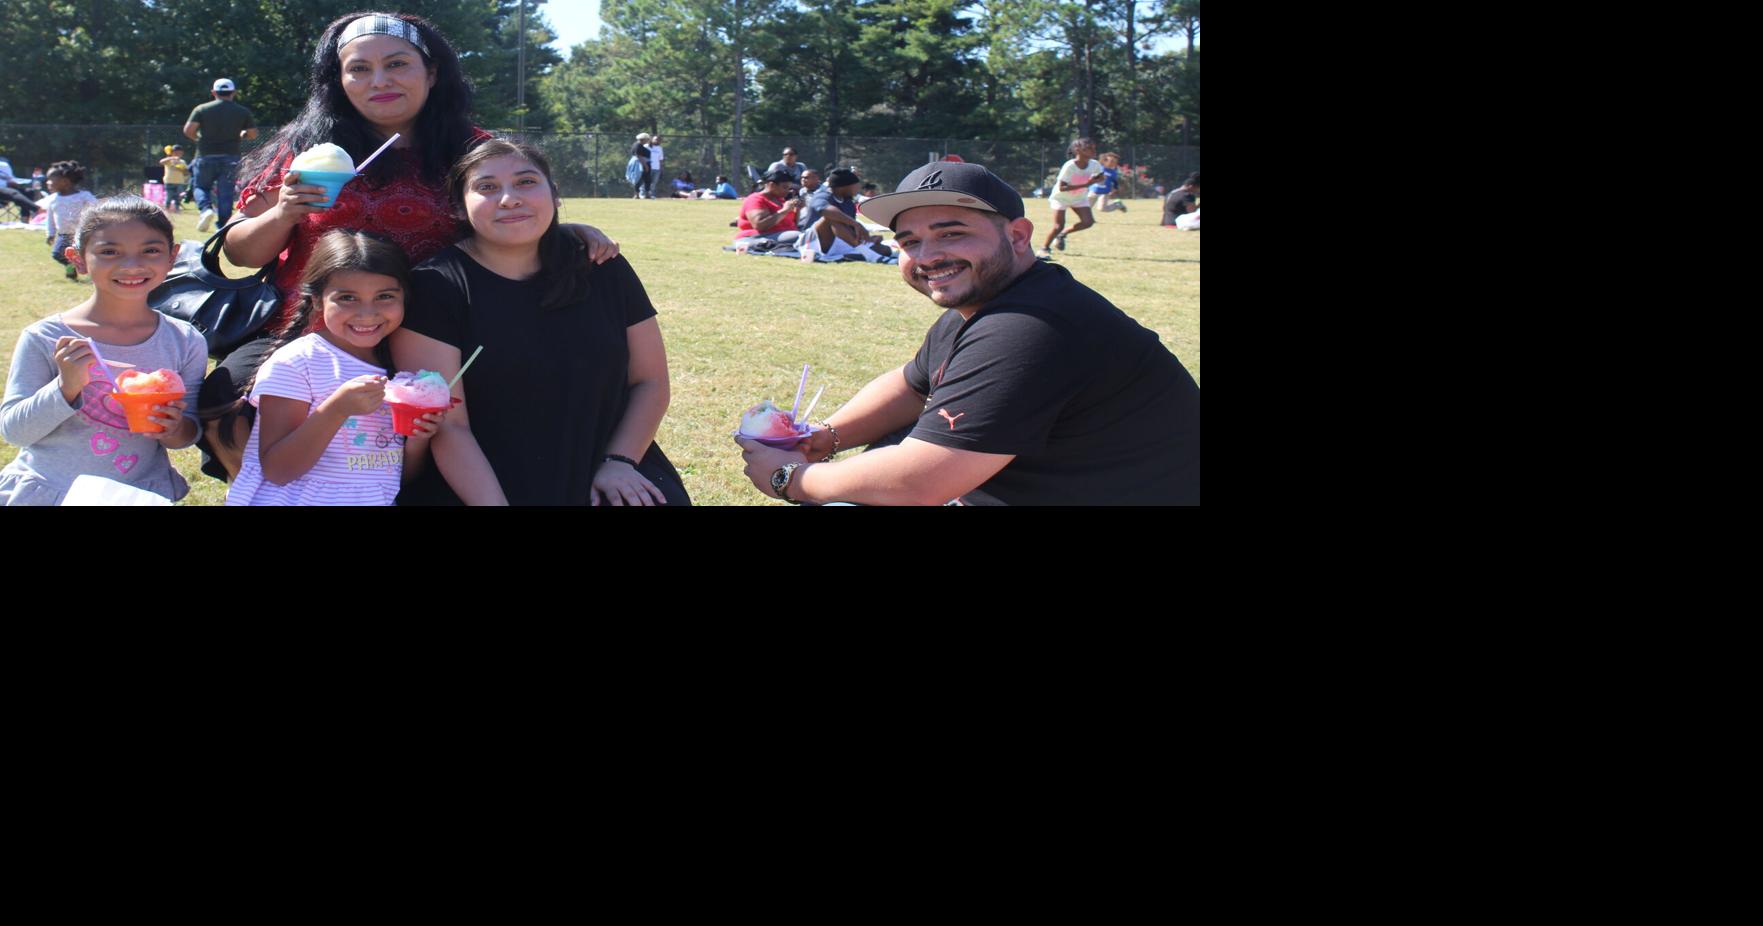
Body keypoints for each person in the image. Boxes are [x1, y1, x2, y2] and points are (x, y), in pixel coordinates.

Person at [202, 10, 619, 485]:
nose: (378, 80)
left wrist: (566, 228)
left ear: (432, 72)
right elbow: (242, 253)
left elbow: (513, 201)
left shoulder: (472, 149)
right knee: (226, 401)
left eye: (397, 64)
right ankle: (268, 491)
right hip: (316, 329)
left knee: (452, 424)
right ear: (338, 80)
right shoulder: (306, 147)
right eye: (358, 68)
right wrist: (284, 213)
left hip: (438, 331)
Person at [734, 162, 1200, 506]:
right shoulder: (991, 304)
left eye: (951, 233)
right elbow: (911, 384)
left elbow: (917, 483)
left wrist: (790, 478)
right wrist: (825, 436)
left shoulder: (1032, 328)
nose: (928, 255)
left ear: (1018, 236)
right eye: (910, 241)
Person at [392, 138, 688, 506]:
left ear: (555, 194)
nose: (509, 198)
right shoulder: (435, 286)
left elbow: (651, 382)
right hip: (483, 481)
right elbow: (451, 427)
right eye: (486, 187)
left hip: (608, 466)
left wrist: (620, 462)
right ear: (457, 207)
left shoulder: (602, 267)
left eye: (526, 182)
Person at [1, 196, 208, 505]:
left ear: (172, 257)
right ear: (78, 259)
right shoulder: (46, 337)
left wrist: (173, 426)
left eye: (150, 250)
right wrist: (65, 387)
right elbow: (15, 431)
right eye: (109, 252)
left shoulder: (185, 341)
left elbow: (187, 434)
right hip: (51, 491)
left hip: (136, 494)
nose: (132, 265)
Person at [226, 229, 446, 505]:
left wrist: (417, 441)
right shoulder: (297, 363)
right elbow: (278, 470)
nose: (368, 313)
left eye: (385, 296)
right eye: (348, 298)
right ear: (317, 300)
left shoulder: (399, 368)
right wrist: (336, 410)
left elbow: (395, 478)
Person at [184, 77, 258, 232]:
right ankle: (223, 226)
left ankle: (206, 209)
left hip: (205, 155)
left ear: (213, 92)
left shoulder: (202, 109)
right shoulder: (242, 112)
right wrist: (241, 134)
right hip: (231, 156)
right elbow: (252, 134)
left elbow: (188, 130)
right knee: (226, 192)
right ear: (234, 93)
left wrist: (199, 140)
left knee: (201, 187)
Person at [800, 168, 891, 263]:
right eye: (856, 185)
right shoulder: (822, 196)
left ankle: (843, 257)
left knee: (884, 250)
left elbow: (849, 229)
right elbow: (826, 210)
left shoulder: (848, 202)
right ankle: (868, 254)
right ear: (844, 187)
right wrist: (856, 224)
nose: (858, 188)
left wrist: (869, 239)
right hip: (813, 241)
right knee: (831, 217)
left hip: (838, 241)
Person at [1040, 137, 1101, 259]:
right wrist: (1086, 184)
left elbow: (1100, 177)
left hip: (1079, 197)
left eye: (1094, 148)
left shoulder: (1094, 164)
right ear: (1078, 150)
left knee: (1088, 222)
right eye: (1089, 148)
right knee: (1058, 226)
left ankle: (1063, 234)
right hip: (1061, 197)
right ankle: (1044, 249)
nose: (1093, 151)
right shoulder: (1070, 166)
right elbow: (1062, 187)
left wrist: (1097, 179)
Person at [42, 161, 96, 281]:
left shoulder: (84, 196)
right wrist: (50, 234)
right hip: (63, 235)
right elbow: (50, 219)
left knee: (85, 254)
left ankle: (84, 270)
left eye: (51, 180)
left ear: (65, 182)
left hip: (82, 233)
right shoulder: (52, 200)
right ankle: (71, 266)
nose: (47, 182)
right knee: (57, 254)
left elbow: (97, 208)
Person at [734, 169, 803, 247]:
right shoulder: (755, 199)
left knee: (810, 233)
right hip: (757, 236)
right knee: (799, 236)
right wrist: (784, 211)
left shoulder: (780, 199)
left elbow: (792, 224)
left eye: (789, 188)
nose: (788, 191)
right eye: (785, 187)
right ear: (772, 185)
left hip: (784, 234)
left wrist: (798, 209)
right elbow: (759, 225)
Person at [0, 154, 38, 222]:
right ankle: (38, 210)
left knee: (29, 192)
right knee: (13, 192)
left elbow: (10, 178)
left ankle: (25, 219)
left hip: (7, 190)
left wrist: (14, 183)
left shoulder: (4, 165)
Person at [159, 145, 190, 213]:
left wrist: (182, 169)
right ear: (172, 153)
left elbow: (186, 173)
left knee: (178, 197)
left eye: (179, 153)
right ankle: (166, 209)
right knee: (169, 196)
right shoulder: (169, 160)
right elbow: (161, 162)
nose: (178, 154)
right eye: (176, 153)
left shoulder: (182, 161)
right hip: (169, 181)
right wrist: (172, 158)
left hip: (180, 182)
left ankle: (177, 209)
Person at [628, 132, 652, 199]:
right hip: (641, 165)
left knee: (647, 179)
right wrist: (646, 166)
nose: (647, 140)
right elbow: (639, 156)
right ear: (643, 139)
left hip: (642, 164)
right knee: (639, 179)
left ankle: (646, 194)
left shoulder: (639, 145)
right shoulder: (638, 145)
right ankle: (637, 194)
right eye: (647, 139)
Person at [646, 134, 665, 199]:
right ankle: (643, 194)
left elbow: (661, 159)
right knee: (646, 182)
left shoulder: (660, 148)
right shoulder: (646, 146)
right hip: (648, 168)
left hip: (657, 169)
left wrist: (661, 169)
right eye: (656, 139)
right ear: (652, 139)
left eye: (659, 140)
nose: (658, 141)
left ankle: (651, 195)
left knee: (654, 183)